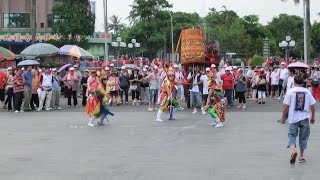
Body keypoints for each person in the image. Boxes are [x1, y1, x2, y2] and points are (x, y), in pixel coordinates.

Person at [279, 75, 316, 164]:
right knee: (304, 137)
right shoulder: (307, 91)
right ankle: (301, 156)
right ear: (302, 82)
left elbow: (286, 107)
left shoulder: (290, 92)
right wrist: (313, 116)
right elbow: (313, 105)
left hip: (293, 117)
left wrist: (283, 118)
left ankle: (293, 151)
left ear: (294, 82)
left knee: (292, 135)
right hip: (304, 117)